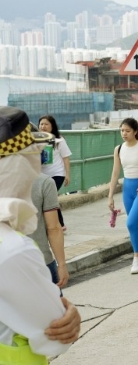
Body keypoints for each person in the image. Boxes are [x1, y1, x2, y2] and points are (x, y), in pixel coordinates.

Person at [0, 106, 82, 362]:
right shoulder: (13, 250)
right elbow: (54, 337)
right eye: (35, 155)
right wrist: (66, 312)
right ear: (19, 166)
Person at [107, 118, 138, 274]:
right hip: (127, 189)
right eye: (122, 130)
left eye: (127, 131)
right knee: (136, 224)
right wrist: (110, 196)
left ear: (135, 131)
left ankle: (136, 258)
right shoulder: (118, 149)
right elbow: (115, 173)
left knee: (131, 223)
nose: (124, 133)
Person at [29, 173, 69, 289]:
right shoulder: (43, 182)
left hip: (5, 264)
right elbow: (53, 228)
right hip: (40, 261)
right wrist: (61, 264)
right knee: (53, 300)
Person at [39, 115, 72, 230]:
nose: (43, 126)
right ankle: (59, 224)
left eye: (46, 124)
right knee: (49, 199)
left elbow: (66, 157)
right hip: (43, 175)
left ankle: (59, 225)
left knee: (48, 197)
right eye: (41, 124)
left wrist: (67, 174)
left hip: (57, 174)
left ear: (52, 126)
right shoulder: (36, 140)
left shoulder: (59, 140)